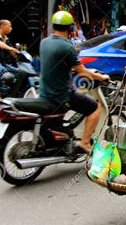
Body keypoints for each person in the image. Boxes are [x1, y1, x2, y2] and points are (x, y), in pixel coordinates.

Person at [39, 11, 110, 153]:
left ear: (53, 26)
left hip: (44, 92)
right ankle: (84, 143)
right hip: (61, 95)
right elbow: (82, 71)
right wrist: (101, 77)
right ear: (71, 28)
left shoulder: (44, 42)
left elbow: (55, 63)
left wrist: (69, 69)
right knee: (95, 108)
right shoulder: (67, 47)